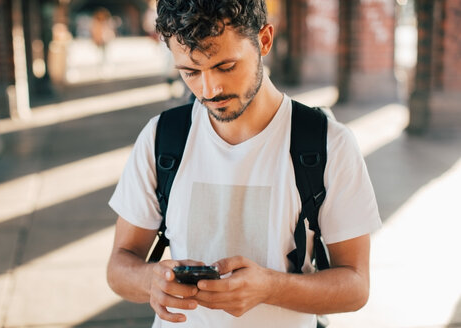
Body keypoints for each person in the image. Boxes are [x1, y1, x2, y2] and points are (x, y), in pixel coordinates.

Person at [107, 1, 382, 327]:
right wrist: (151, 280)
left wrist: (270, 288)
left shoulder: (328, 145)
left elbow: (355, 288)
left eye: (225, 66)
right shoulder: (161, 138)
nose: (209, 90)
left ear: (264, 40)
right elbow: (119, 268)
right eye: (191, 72)